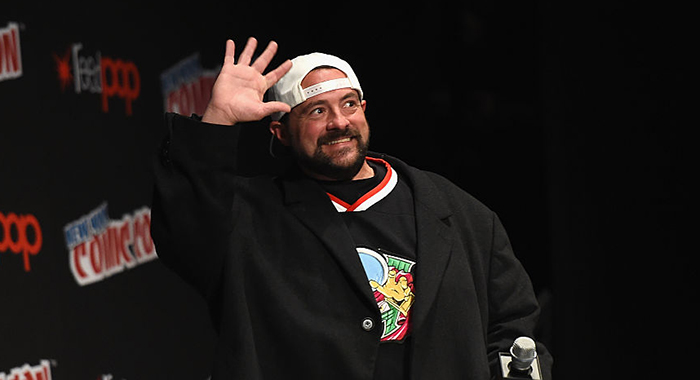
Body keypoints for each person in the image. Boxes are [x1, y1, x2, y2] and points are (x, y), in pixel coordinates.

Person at [151, 37, 553, 379]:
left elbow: (512, 324)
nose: (339, 122)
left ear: (365, 109)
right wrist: (218, 120)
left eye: (349, 105)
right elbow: (183, 229)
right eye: (317, 111)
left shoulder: (460, 213)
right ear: (281, 132)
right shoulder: (249, 217)